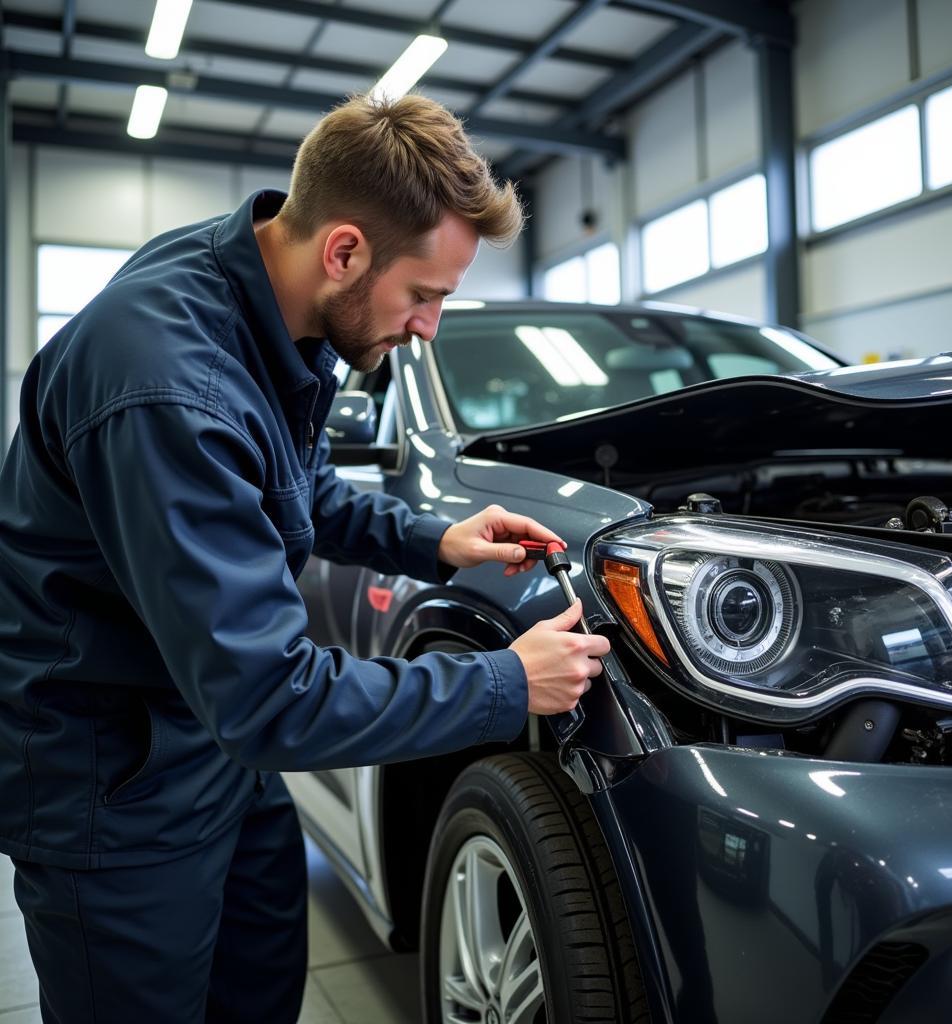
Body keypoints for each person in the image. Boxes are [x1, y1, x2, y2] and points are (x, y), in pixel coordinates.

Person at [0, 93, 610, 1023]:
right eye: (426, 295)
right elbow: (270, 697)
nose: (428, 326)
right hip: (110, 776)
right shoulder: (170, 388)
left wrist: (430, 540)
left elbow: (293, 489)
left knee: (260, 978)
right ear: (345, 252)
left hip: (204, 737)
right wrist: (503, 683)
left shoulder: (264, 296)